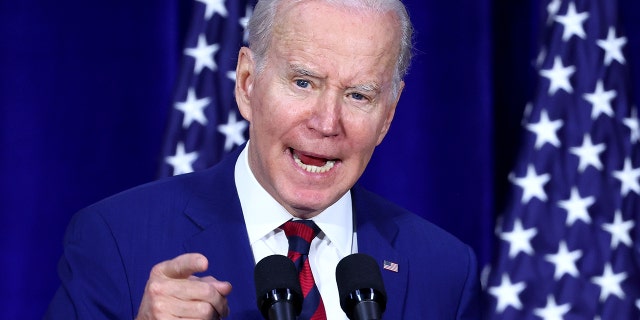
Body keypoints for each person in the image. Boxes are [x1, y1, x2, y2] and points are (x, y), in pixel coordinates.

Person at [46, 0, 481, 319]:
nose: (327, 123)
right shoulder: (117, 241)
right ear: (248, 83)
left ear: (387, 114)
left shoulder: (443, 269)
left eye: (358, 95)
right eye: (304, 82)